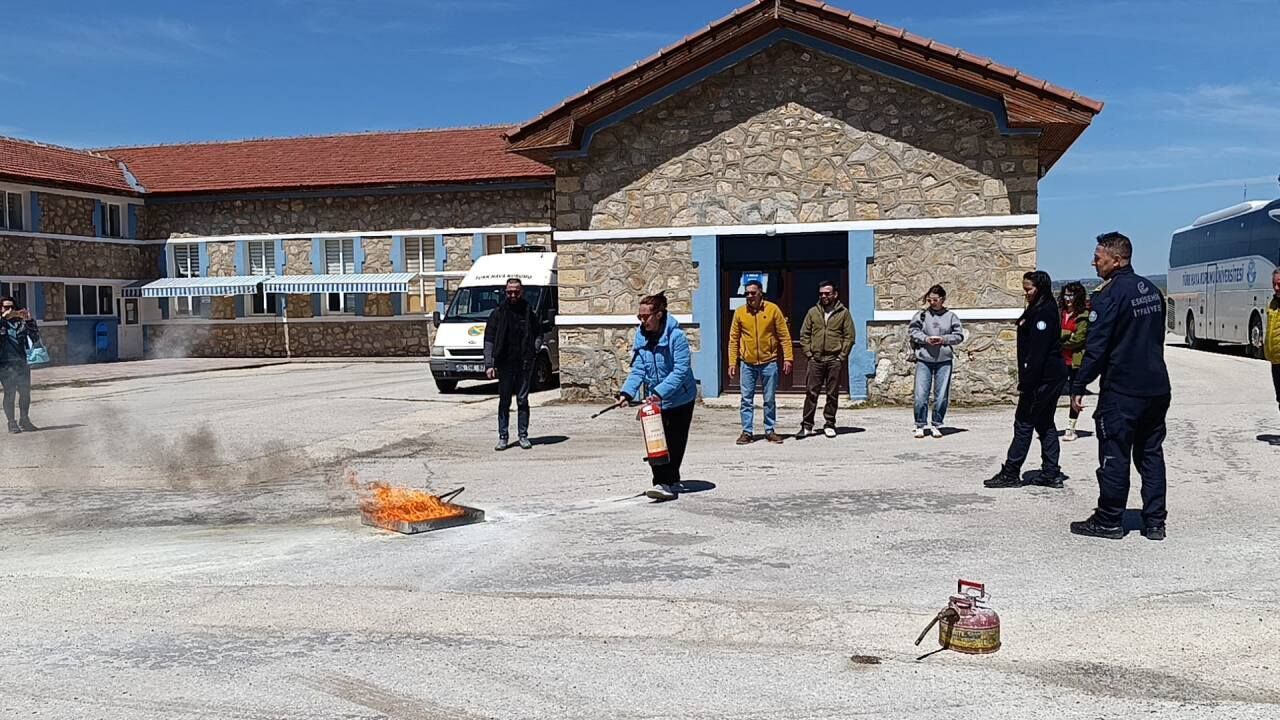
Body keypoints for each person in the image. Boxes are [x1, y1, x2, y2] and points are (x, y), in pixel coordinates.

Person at [1069, 232, 1171, 541]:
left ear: (1116, 260)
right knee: (1151, 454)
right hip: (1156, 387)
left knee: (1115, 454)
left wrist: (1079, 383)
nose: (1093, 263)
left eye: (1098, 258)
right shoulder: (1152, 291)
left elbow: (1097, 346)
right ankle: (1155, 522)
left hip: (1123, 389)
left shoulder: (1109, 295)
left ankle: (1109, 519)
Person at [985, 271, 1069, 489]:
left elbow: (1038, 352)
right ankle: (1051, 472)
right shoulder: (1038, 308)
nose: (1026, 293)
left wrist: (1028, 382)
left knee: (1024, 422)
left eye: (1029, 289)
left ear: (1040, 288)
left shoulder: (1043, 312)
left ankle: (1011, 472)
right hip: (1049, 375)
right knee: (1045, 422)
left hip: (1043, 377)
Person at [617, 292, 698, 501]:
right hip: (656, 401)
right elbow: (638, 369)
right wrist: (627, 392)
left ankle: (669, 481)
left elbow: (680, 370)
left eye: (646, 316)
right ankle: (661, 482)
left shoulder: (676, 337)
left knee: (674, 442)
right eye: (640, 316)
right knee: (656, 441)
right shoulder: (641, 336)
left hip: (681, 398)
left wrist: (658, 392)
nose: (642, 321)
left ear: (659, 315)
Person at [727, 279, 792, 444]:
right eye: (747, 293)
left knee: (769, 399)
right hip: (747, 363)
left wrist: (788, 358)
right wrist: (732, 362)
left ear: (760, 293)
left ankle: (770, 430)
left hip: (769, 362)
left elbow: (784, 336)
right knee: (746, 400)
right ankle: (747, 432)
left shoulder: (773, 310)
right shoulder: (740, 312)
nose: (749, 296)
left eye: (753, 293)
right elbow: (733, 339)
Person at [483, 278, 541, 451]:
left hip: (524, 363)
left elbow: (538, 333)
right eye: (510, 292)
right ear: (505, 292)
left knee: (522, 400)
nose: (513, 295)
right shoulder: (498, 313)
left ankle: (523, 435)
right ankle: (503, 437)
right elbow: (489, 339)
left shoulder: (529, 311)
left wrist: (535, 348)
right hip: (504, 364)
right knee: (504, 401)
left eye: (516, 291)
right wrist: (489, 364)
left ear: (521, 292)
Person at [796, 280, 855, 439]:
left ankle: (829, 424)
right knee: (811, 393)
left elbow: (849, 336)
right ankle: (807, 425)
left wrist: (841, 356)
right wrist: (809, 353)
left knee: (832, 394)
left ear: (835, 294)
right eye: (821, 293)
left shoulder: (843, 313)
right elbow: (804, 334)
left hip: (834, 360)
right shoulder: (812, 312)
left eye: (827, 293)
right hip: (815, 360)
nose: (824, 296)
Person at [908, 285, 964, 438]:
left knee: (941, 395)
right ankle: (920, 424)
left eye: (935, 300)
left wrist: (944, 339)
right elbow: (912, 331)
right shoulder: (921, 315)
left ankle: (936, 424)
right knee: (920, 394)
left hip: (944, 360)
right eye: (929, 300)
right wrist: (925, 339)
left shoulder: (951, 316)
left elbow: (959, 336)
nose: (932, 303)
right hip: (924, 358)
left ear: (942, 299)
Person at [1, 296, 40, 434]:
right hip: (5, 364)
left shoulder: (20, 323)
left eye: (12, 307)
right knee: (9, 393)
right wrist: (3, 319)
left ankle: (24, 419)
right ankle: (11, 422)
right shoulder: (1, 322)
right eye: (6, 307)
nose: (10, 310)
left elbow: (35, 338)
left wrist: (29, 320)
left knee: (25, 393)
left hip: (21, 362)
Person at [1059, 281, 1090, 442]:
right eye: (1066, 295)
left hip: (1075, 360)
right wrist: (1066, 334)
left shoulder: (1083, 315)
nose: (1068, 299)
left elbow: (1078, 338)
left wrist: (1060, 339)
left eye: (1071, 295)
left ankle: (1071, 428)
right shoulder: (1060, 313)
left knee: (1075, 393)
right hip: (1059, 360)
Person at [1267, 269, 1280, 415]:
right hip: (1275, 361)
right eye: (1273, 284)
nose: (1276, 288)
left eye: (1279, 284)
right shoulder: (1273, 303)